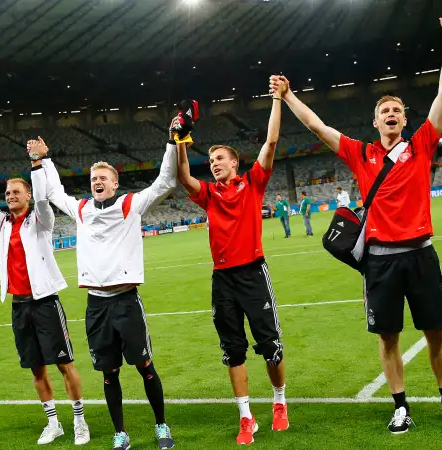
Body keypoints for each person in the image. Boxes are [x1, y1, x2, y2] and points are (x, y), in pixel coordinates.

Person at [280, 3, 442, 434]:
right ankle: (401, 405)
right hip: (381, 260)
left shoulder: (421, 144)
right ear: (375, 121)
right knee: (388, 337)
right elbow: (317, 127)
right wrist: (289, 96)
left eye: (398, 111)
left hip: (421, 254)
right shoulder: (360, 153)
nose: (391, 115)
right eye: (385, 111)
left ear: (405, 119)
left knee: (435, 333)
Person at [32, 114, 181, 449]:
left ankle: (161, 426)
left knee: (144, 365)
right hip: (96, 304)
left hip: (126, 300)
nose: (97, 180)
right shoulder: (82, 209)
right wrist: (43, 159)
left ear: (115, 184)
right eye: (93, 178)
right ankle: (120, 433)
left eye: (103, 177)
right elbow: (54, 191)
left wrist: (172, 141)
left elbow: (165, 182)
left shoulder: (130, 205)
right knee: (109, 373)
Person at [174, 76, 288, 445]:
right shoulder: (208, 195)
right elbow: (183, 176)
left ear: (235, 162)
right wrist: (180, 141)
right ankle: (245, 417)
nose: (214, 163)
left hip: (253, 273)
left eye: (219, 158)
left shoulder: (253, 183)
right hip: (222, 278)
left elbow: (270, 142)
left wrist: (278, 99)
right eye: (210, 160)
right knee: (232, 350)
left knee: (270, 346)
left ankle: (279, 401)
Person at [0, 148, 90, 446]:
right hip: (19, 306)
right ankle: (53, 422)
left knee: (64, 364)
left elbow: (43, 198)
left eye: (16, 191)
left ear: (28, 195)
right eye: (7, 192)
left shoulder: (41, 219)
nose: (10, 195)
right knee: (35, 367)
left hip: (45, 302)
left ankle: (80, 420)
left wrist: (37, 162)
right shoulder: (3, 223)